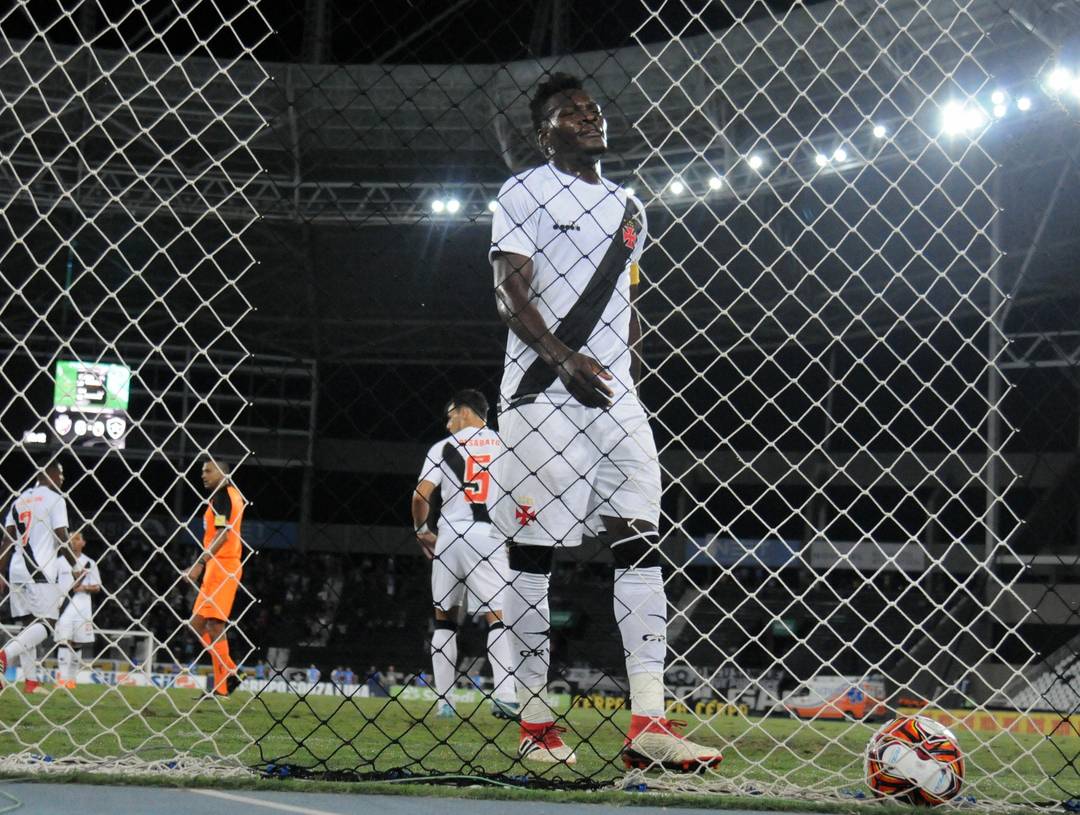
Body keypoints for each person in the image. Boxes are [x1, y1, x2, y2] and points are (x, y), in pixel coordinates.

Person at [488, 72, 723, 770]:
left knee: (640, 543)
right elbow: (508, 290)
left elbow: (627, 303)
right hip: (543, 394)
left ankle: (648, 722)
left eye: (593, 110)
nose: (590, 117)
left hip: (616, 401)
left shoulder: (630, 207)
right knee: (534, 554)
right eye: (571, 112)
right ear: (545, 133)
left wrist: (630, 387)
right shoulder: (523, 191)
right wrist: (562, 358)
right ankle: (535, 724)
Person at [412, 389, 517, 720]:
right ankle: (504, 696)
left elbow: (420, 496)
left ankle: (445, 702)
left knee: (444, 619)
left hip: (449, 537)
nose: (448, 424)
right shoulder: (506, 444)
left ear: (465, 411)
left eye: (450, 416)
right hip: (489, 536)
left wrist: (422, 530)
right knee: (498, 616)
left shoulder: (443, 447)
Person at [0, 457, 79, 693]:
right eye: (61, 475)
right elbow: (62, 536)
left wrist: (0, 572)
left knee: (28, 626)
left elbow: (7, 541)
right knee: (47, 624)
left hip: (17, 569)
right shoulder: (55, 499)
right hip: (40, 568)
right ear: (51, 474)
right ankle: (4, 655)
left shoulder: (19, 499)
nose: (63, 480)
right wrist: (76, 566)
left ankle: (31, 682)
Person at [187, 458, 245, 698]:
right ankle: (229, 675)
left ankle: (224, 683)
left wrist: (199, 563)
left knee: (214, 624)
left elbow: (223, 534)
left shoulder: (223, 497)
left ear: (222, 472)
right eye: (203, 471)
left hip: (223, 565)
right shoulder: (228, 496)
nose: (203, 475)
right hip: (217, 565)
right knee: (197, 624)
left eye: (208, 471)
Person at [54, 530, 102, 688]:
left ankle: (72, 680)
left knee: (77, 642)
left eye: (76, 539)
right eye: (70, 539)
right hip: (64, 607)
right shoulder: (59, 562)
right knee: (63, 640)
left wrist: (84, 587)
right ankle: (62, 678)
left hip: (82, 609)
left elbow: (97, 586)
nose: (73, 542)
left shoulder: (89, 563)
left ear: (83, 543)